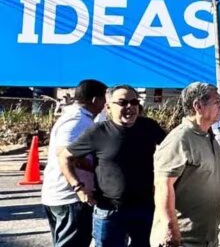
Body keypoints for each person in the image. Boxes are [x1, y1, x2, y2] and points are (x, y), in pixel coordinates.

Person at [58, 85, 165, 247]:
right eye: (122, 103)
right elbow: (65, 157)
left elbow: (172, 151)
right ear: (108, 107)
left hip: (145, 208)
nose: (129, 107)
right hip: (109, 211)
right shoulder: (98, 132)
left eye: (134, 102)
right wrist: (78, 188)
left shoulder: (149, 127)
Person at [151, 82, 220, 247]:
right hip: (182, 239)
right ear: (198, 106)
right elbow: (162, 185)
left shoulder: (208, 136)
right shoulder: (180, 139)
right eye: (217, 102)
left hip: (206, 238)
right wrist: (170, 227)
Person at [42, 79, 107, 247]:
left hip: (65, 196)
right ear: (95, 100)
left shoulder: (78, 118)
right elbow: (64, 154)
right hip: (70, 197)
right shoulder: (77, 120)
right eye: (104, 99)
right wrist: (97, 170)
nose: (105, 104)